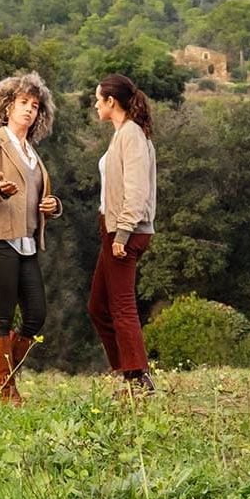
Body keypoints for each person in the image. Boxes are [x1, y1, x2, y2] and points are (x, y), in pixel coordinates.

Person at [0, 71, 61, 406]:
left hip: (27, 244)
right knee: (2, 316)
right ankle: (6, 389)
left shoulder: (33, 154)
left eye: (35, 106)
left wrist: (53, 205)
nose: (29, 110)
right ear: (6, 107)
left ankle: (1, 380)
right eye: (23, 103)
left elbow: (38, 197)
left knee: (36, 315)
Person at [89, 72, 159, 397]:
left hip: (125, 231)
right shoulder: (121, 134)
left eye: (97, 98)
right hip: (113, 228)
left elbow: (137, 191)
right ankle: (126, 370)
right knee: (98, 305)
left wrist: (122, 235)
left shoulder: (130, 135)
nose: (95, 103)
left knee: (121, 305)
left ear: (111, 101)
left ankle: (137, 376)